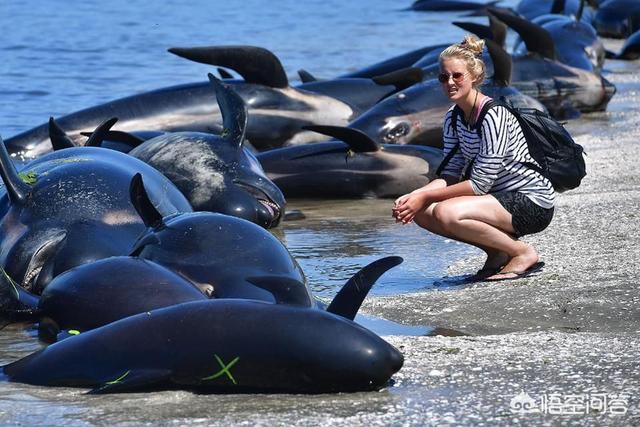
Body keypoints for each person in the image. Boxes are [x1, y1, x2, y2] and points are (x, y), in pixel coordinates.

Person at [391, 35, 555, 281]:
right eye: (443, 77)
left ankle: (522, 252)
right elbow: (449, 174)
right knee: (422, 211)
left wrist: (424, 195)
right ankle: (497, 252)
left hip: (532, 202)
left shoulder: (493, 115)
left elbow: (480, 184)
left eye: (457, 76)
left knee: (446, 212)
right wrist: (414, 198)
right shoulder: (453, 117)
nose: (450, 82)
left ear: (475, 78)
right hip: (497, 200)